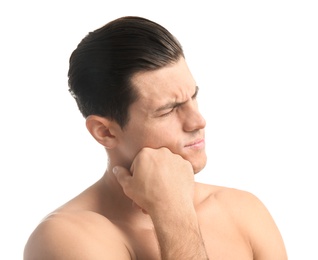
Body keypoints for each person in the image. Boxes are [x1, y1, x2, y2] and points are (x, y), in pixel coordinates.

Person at [24, 16, 287, 259]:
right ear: (105, 132)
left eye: (193, 97)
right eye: (168, 110)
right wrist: (173, 213)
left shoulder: (243, 210)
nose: (198, 121)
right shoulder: (64, 238)